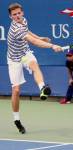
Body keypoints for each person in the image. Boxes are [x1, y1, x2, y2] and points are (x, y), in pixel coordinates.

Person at [7, 3, 62, 134]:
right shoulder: (15, 29)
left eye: (19, 13)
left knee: (34, 65)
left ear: (22, 13)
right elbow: (33, 42)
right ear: (10, 17)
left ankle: (42, 88)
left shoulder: (23, 21)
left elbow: (29, 33)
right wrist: (52, 46)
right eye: (14, 14)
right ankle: (17, 120)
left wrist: (40, 37)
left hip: (25, 53)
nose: (17, 16)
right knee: (16, 90)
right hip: (14, 59)